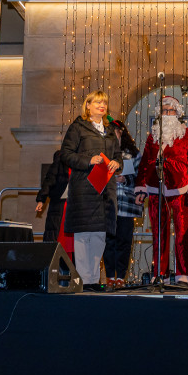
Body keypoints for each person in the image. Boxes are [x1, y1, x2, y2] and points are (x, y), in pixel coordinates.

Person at [58, 90, 122, 290]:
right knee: (84, 235)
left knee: (99, 236)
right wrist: (88, 160)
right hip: (84, 188)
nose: (102, 106)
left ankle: (93, 280)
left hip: (106, 190)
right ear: (88, 105)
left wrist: (116, 163)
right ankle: (84, 280)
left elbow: (118, 155)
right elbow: (65, 154)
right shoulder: (78, 127)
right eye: (97, 103)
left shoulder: (110, 130)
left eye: (104, 103)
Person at [134, 95, 188, 285]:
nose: (168, 114)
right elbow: (145, 163)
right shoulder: (153, 135)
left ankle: (184, 275)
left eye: (171, 111)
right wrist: (140, 189)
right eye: (164, 111)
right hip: (156, 188)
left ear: (177, 113)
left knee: (183, 234)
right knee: (158, 234)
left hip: (181, 189)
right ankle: (160, 274)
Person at [103, 119, 141, 290]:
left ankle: (121, 277)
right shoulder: (104, 153)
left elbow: (141, 177)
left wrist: (125, 179)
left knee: (124, 242)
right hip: (107, 204)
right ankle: (110, 277)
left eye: (116, 133)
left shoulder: (133, 153)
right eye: (109, 133)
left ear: (122, 133)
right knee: (108, 241)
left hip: (126, 204)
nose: (113, 136)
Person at [34, 149, 73, 254]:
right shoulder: (60, 156)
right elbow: (50, 178)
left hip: (75, 206)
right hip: (60, 205)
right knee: (57, 238)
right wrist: (41, 199)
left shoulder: (82, 158)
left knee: (74, 244)